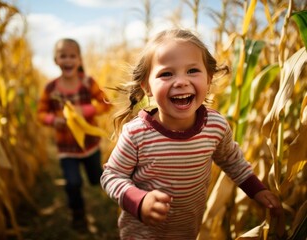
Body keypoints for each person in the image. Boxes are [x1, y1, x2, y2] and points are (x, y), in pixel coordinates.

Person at [100, 29, 283, 239]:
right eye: (166, 74)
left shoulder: (214, 126)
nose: (181, 81)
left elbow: (233, 161)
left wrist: (257, 190)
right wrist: (138, 200)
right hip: (142, 232)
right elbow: (112, 176)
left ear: (209, 78)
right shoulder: (137, 133)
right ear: (147, 87)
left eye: (192, 71)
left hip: (187, 230)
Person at [37, 38, 111, 231]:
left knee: (96, 179)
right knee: (73, 183)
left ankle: (113, 192)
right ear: (55, 60)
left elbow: (105, 104)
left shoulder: (88, 82)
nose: (68, 60)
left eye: (72, 56)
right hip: (66, 148)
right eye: (63, 56)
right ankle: (78, 215)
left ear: (79, 60)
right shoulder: (50, 88)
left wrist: (83, 111)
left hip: (90, 145)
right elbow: (40, 114)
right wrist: (53, 120)